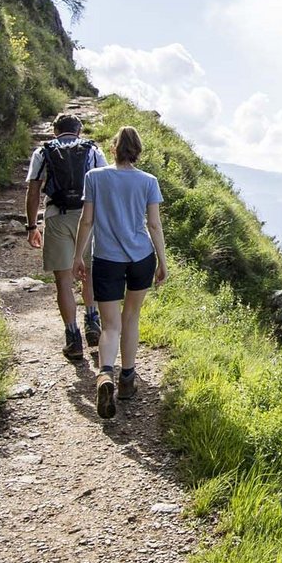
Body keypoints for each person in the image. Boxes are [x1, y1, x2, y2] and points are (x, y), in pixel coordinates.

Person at [74, 126, 169, 419]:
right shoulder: (148, 182)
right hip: (141, 257)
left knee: (110, 325)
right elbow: (153, 225)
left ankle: (104, 375)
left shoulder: (95, 178)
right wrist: (163, 261)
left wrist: (78, 255)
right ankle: (127, 380)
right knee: (131, 317)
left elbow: (87, 221)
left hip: (106, 259)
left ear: (114, 149)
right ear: (138, 151)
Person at [26, 113, 106, 357]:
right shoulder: (93, 150)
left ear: (54, 131)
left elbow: (33, 190)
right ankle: (92, 321)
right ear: (79, 131)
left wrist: (32, 226)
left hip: (57, 216)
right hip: (88, 218)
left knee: (63, 280)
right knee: (89, 274)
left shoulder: (43, 152)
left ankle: (73, 339)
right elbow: (105, 184)